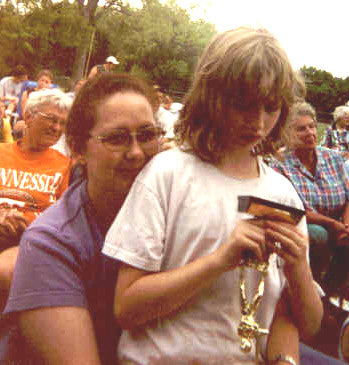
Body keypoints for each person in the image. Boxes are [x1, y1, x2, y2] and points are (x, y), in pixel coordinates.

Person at [102, 26, 323, 365]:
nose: (259, 122)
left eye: (271, 107)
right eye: (243, 105)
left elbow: (308, 323)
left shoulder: (282, 193)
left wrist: (297, 268)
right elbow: (126, 308)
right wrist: (220, 261)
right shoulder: (168, 174)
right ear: (212, 96)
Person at [1, 73, 163, 364]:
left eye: (148, 135)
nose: (137, 152)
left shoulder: (171, 217)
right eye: (117, 138)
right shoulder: (50, 242)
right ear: (78, 150)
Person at [0, 88, 72, 311]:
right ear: (29, 116)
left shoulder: (65, 165)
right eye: (51, 119)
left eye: (62, 123)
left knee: (6, 270)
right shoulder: (2, 153)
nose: (57, 128)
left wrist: (32, 227)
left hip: (30, 243)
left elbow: (66, 220)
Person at [271, 102, 349, 296]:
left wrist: (345, 226)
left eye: (312, 126)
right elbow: (290, 210)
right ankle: (305, 289)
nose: (310, 133)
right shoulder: (279, 164)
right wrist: (331, 224)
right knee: (317, 235)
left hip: (339, 222)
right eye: (301, 129)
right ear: (287, 134)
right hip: (302, 223)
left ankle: (332, 290)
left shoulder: (333, 158)